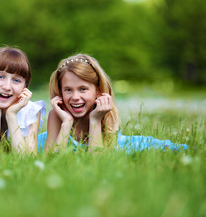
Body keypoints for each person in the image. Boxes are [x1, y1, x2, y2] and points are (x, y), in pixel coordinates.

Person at [37, 54, 188, 153]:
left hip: (116, 145)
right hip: (50, 140)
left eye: (83, 89)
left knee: (160, 147)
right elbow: (52, 161)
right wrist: (66, 123)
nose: (75, 97)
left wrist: (95, 119)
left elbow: (96, 163)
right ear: (60, 92)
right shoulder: (57, 116)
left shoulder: (103, 112)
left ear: (97, 90)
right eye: (68, 90)